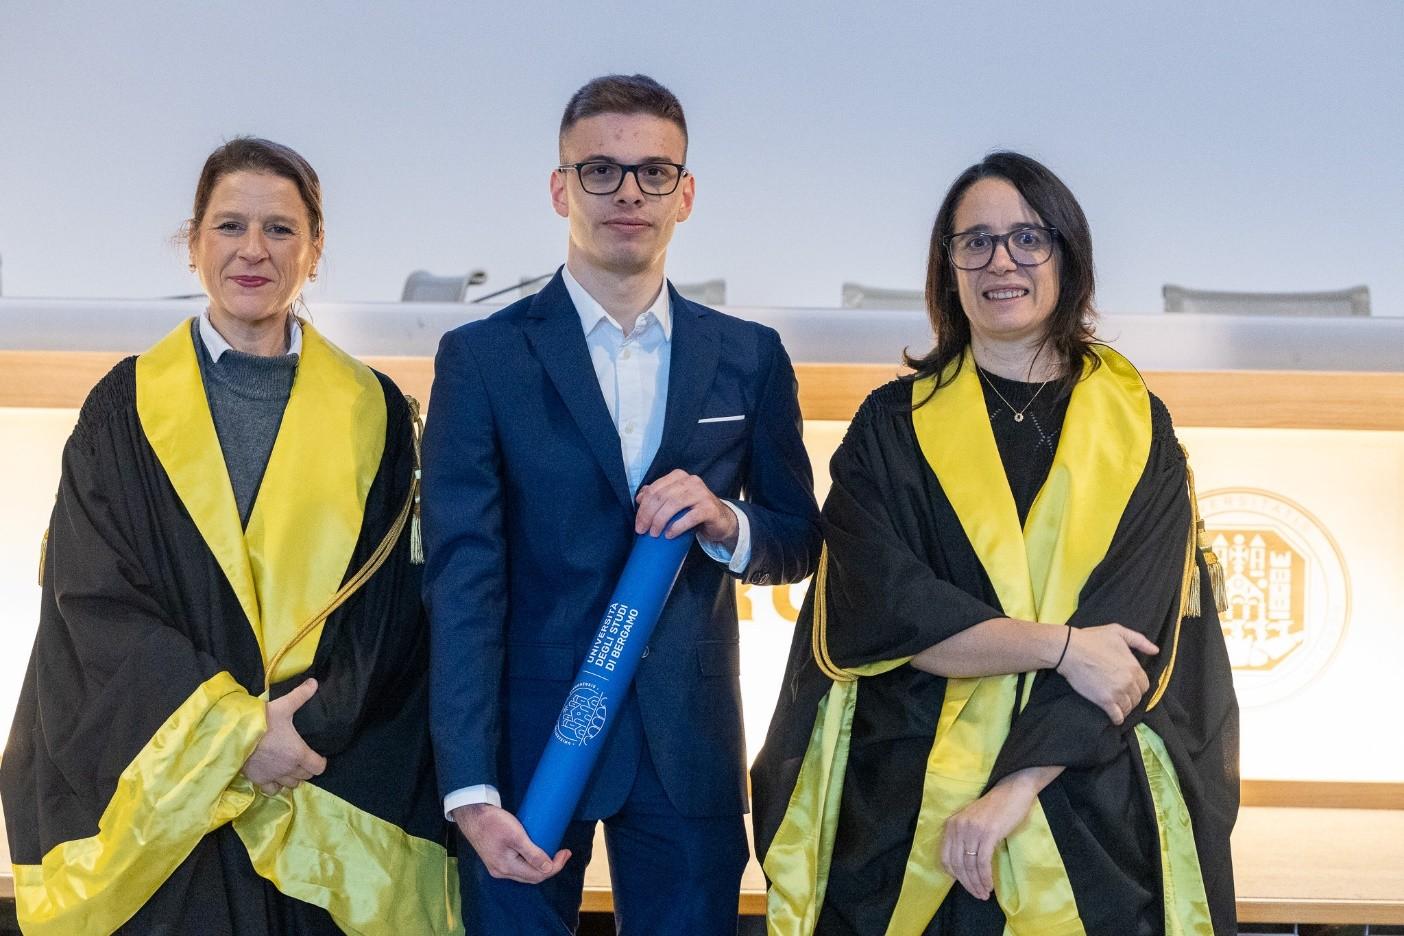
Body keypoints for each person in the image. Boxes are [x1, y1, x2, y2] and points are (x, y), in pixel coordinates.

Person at [751, 151, 1239, 935]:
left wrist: (1013, 790)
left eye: (1027, 238)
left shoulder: (1137, 426)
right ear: (947, 268)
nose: (1000, 261)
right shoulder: (892, 427)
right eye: (974, 241)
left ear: (1068, 257)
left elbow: (1130, 644)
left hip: (1082, 793)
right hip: (908, 803)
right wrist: (1061, 647)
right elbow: (888, 614)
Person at [0, 137, 458, 936]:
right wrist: (237, 738)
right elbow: (94, 602)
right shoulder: (125, 409)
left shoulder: (374, 411)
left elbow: (389, 614)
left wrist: (298, 736)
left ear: (315, 250)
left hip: (319, 785)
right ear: (193, 243)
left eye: (280, 229)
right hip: (168, 799)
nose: (254, 250)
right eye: (230, 226)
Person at [423, 74, 822, 935]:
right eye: (600, 170)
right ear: (560, 188)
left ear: (686, 194)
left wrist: (727, 520)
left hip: (688, 751)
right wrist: (468, 785)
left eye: (653, 172)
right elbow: (461, 582)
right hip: (525, 756)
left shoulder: (750, 356)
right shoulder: (482, 358)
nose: (628, 192)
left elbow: (797, 539)